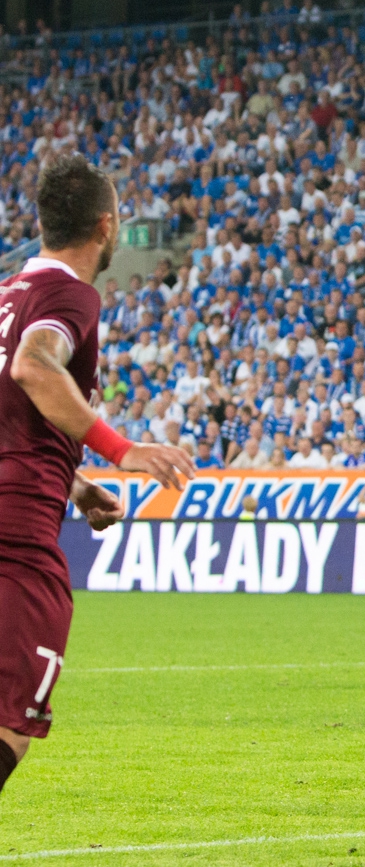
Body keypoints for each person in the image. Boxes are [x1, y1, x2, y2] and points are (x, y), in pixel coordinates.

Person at [0, 155, 196, 797]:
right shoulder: (69, 295)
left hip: (27, 498)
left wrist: (75, 484)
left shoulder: (8, 293)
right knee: (9, 726)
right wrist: (120, 449)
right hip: (15, 537)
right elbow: (33, 368)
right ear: (107, 227)